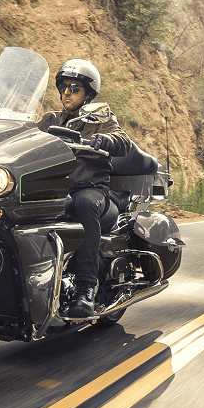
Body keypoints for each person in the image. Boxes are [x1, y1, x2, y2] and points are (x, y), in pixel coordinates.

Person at [36, 59, 140, 318]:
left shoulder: (100, 117)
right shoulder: (51, 120)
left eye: (74, 88)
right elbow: (23, 137)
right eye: (63, 87)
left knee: (82, 205)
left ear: (87, 94)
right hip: (58, 190)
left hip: (93, 191)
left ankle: (86, 288)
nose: (66, 93)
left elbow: (123, 141)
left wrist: (106, 139)